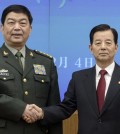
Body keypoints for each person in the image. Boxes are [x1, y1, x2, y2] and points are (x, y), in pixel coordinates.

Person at [37, 24, 120, 134]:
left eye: (108, 43)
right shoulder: (79, 78)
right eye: (98, 43)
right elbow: (65, 108)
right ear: (91, 48)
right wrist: (41, 113)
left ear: (116, 47)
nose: (103, 47)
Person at [0, 4, 62, 134]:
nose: (17, 28)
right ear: (2, 28)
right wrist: (21, 109)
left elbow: (54, 108)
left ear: (30, 29)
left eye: (23, 23)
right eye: (11, 23)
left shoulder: (46, 62)